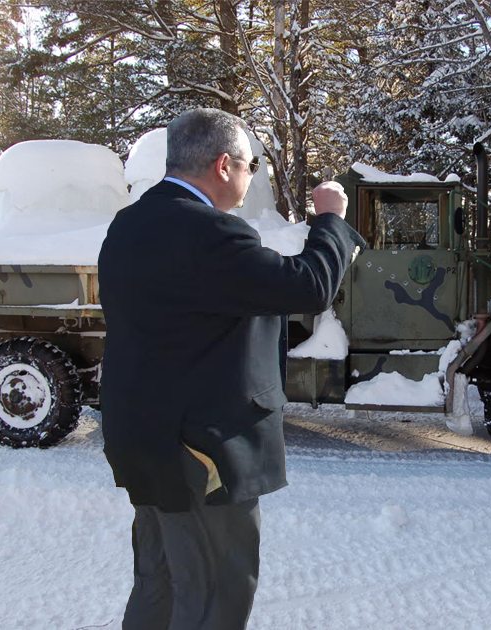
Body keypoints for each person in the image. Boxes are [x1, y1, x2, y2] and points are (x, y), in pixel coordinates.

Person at [98, 107, 365, 629]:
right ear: (224, 165)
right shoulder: (207, 233)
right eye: (252, 165)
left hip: (146, 437)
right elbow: (307, 286)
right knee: (216, 592)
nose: (251, 176)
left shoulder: (132, 224)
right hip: (201, 448)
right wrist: (330, 219)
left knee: (164, 581)